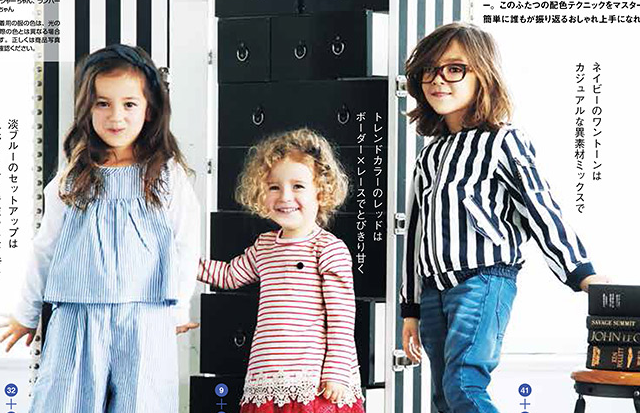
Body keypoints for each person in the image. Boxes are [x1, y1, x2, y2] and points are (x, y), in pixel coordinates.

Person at [399, 22, 611, 413]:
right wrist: (409, 308)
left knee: (464, 383)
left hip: (482, 281)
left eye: (454, 69)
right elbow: (414, 234)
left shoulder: (502, 141)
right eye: (428, 70)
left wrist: (581, 272)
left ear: (483, 76)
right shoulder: (429, 155)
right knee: (444, 396)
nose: (438, 79)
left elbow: (539, 207)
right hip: (432, 291)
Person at [0, 44, 200, 412]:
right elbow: (46, 246)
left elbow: (186, 243)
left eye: (129, 104)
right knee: (63, 401)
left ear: (150, 109)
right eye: (102, 103)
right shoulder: (73, 176)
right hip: (77, 316)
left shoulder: (166, 176)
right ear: (87, 108)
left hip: (145, 317)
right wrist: (26, 313)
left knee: (144, 402)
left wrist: (178, 307)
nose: (116, 116)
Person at [197, 128, 364, 413]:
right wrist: (181, 262)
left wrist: (336, 372)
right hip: (267, 378)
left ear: (321, 191)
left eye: (298, 186)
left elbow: (342, 317)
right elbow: (229, 275)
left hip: (313, 384)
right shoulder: (264, 246)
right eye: (274, 187)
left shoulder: (327, 248)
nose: (285, 196)